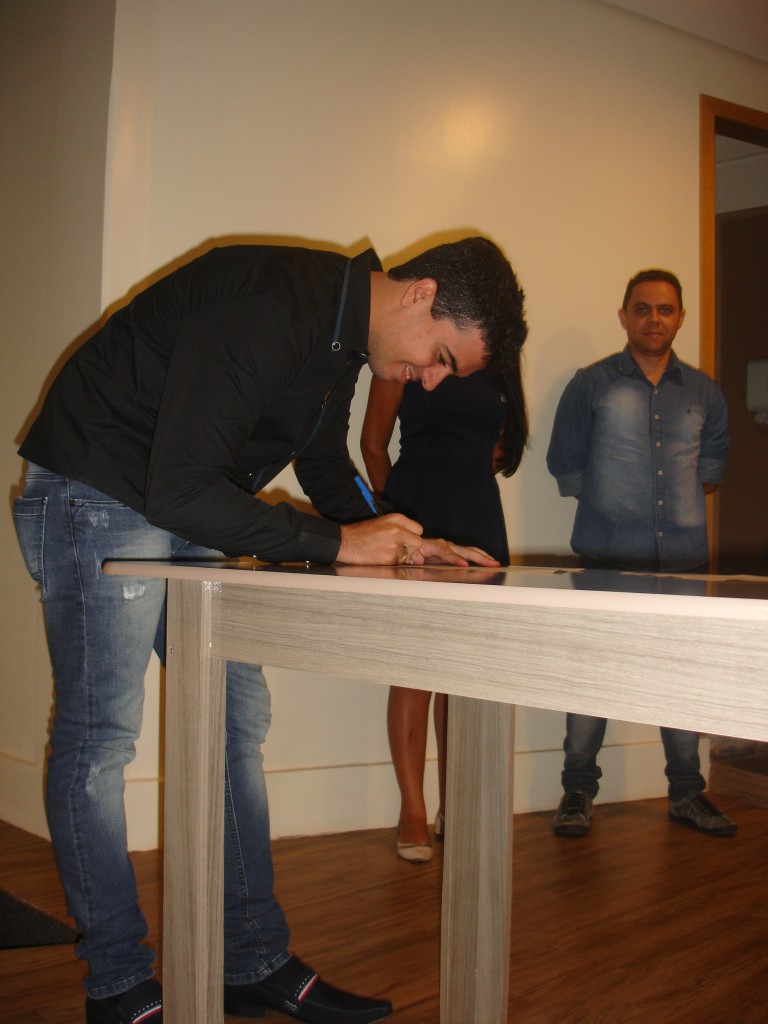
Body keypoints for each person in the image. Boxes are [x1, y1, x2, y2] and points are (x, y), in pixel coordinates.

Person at [12, 236, 527, 1024]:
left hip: (180, 494)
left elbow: (319, 461)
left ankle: (249, 959)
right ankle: (117, 985)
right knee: (102, 737)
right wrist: (339, 543)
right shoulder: (277, 305)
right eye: (442, 359)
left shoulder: (343, 334)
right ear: (421, 296)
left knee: (235, 719)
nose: (429, 380)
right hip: (100, 483)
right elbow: (181, 487)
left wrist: (401, 538)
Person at [546, 268, 737, 840]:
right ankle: (577, 792)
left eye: (665, 309)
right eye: (643, 308)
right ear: (624, 316)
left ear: (680, 318)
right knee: (591, 679)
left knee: (681, 681)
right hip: (606, 561)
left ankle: (687, 794)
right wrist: (616, 506)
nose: (655, 318)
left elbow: (710, 472)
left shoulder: (704, 392)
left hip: (684, 566)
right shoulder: (592, 384)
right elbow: (565, 463)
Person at [361, 362, 527, 862]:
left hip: (479, 517)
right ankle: (412, 810)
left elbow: (498, 446)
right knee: (413, 670)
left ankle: (455, 803)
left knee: (464, 675)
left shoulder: (498, 358)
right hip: (419, 512)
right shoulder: (408, 352)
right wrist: (399, 522)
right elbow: (372, 444)